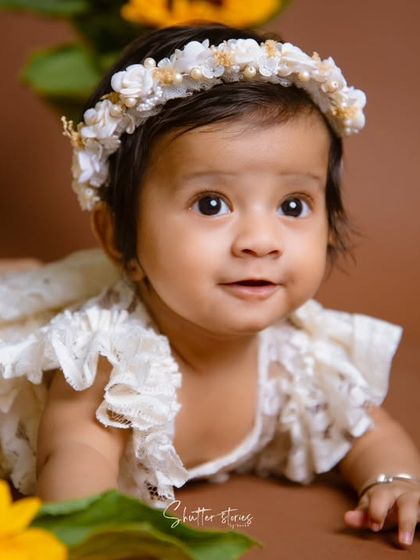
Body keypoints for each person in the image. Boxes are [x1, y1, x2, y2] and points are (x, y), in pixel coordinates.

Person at [1, 22, 419, 548]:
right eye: (211, 204)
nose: (260, 241)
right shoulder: (107, 356)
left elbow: (372, 433)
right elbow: (75, 460)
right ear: (117, 237)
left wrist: (395, 481)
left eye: (293, 205)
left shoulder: (302, 356)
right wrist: (100, 537)